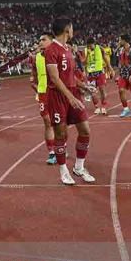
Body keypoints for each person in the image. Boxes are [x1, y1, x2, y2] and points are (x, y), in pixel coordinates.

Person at [45, 18, 95, 185]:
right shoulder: (51, 50)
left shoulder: (67, 49)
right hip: (58, 96)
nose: (73, 30)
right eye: (72, 27)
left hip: (73, 92)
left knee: (85, 130)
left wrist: (84, 87)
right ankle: (63, 171)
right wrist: (70, 97)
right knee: (61, 134)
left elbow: (71, 76)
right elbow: (54, 77)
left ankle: (79, 167)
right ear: (67, 29)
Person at [31, 33, 57, 165]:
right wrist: (36, 86)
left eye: (43, 39)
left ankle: (60, 146)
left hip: (57, 92)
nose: (40, 42)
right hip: (43, 93)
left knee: (59, 123)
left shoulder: (58, 55)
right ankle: (52, 152)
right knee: (47, 121)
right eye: (39, 40)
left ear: (51, 42)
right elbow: (34, 76)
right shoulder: (36, 58)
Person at [85, 38, 113, 115]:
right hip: (91, 74)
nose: (90, 47)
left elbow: (106, 58)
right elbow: (84, 62)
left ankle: (103, 106)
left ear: (94, 44)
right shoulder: (86, 50)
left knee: (102, 90)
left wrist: (110, 68)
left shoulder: (100, 48)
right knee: (92, 92)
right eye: (88, 46)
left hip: (100, 72)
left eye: (91, 45)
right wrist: (87, 54)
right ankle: (97, 107)